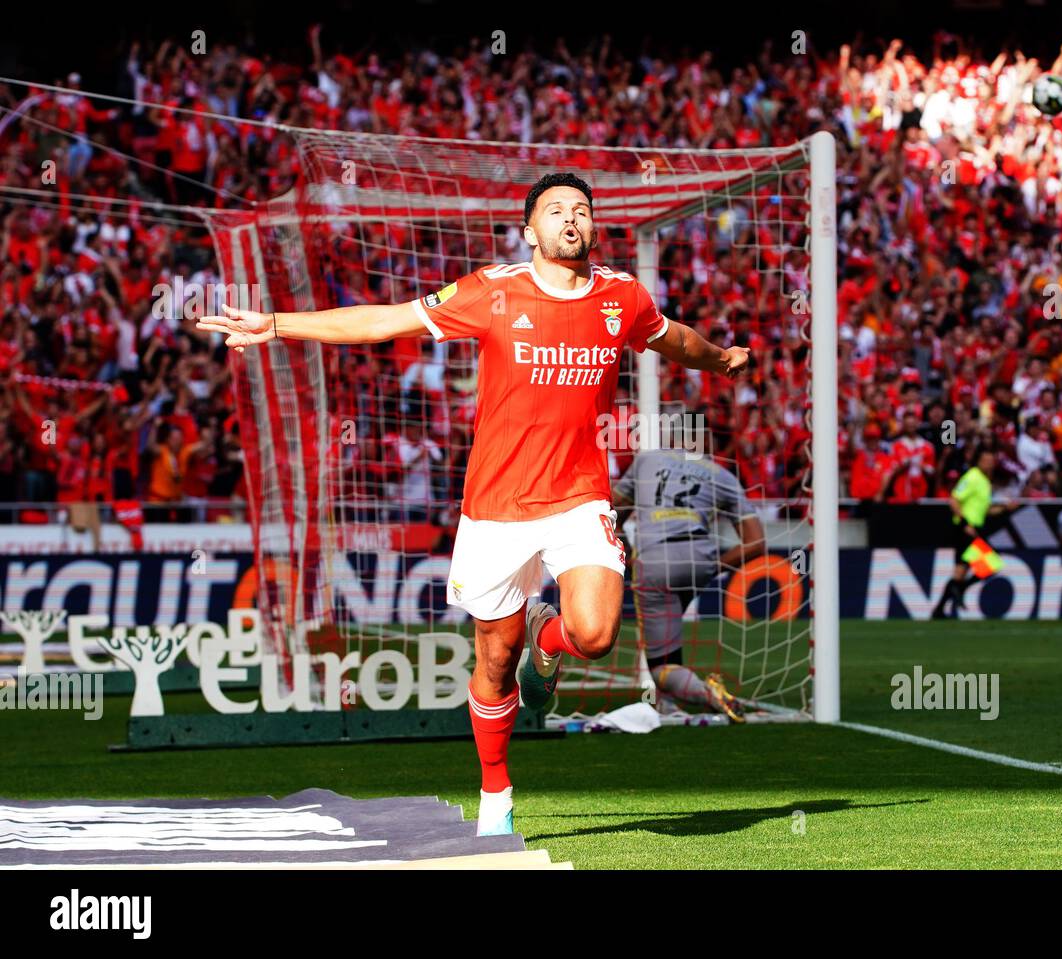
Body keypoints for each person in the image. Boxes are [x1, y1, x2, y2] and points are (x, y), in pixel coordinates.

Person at [197, 172, 751, 836]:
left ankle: (553, 638)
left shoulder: (621, 297)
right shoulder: (492, 291)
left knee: (598, 634)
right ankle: (496, 791)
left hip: (579, 497)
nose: (571, 218)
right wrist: (279, 323)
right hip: (496, 504)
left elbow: (672, 338)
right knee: (494, 655)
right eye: (555, 210)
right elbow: (386, 319)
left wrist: (718, 360)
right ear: (530, 230)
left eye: (581, 209)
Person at [611, 442, 764, 722]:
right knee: (670, 625)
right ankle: (667, 704)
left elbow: (612, 510)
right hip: (700, 557)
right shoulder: (722, 475)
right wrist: (715, 565)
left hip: (656, 559)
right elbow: (756, 542)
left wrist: (629, 552)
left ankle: (708, 693)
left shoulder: (647, 460)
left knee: (660, 666)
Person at [932, 447, 1010, 619]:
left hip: (974, 527)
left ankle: (939, 609)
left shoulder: (985, 481)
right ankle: (960, 590)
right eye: (985, 461)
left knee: (960, 572)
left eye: (991, 461)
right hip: (966, 529)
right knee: (991, 564)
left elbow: (985, 510)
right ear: (978, 461)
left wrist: (1004, 508)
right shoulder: (972, 477)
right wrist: (965, 523)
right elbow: (954, 500)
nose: (988, 464)